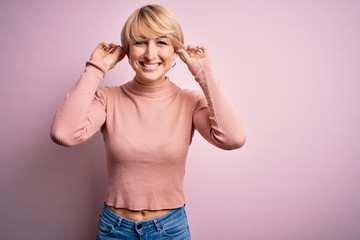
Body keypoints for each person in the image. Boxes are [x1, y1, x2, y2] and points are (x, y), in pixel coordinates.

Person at [50, 4, 245, 240]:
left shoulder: (189, 101)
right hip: (114, 230)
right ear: (128, 50)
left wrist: (205, 76)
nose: (150, 54)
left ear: (176, 51)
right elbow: (64, 134)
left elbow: (233, 138)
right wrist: (96, 68)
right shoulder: (107, 99)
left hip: (170, 229)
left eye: (162, 42)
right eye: (140, 42)